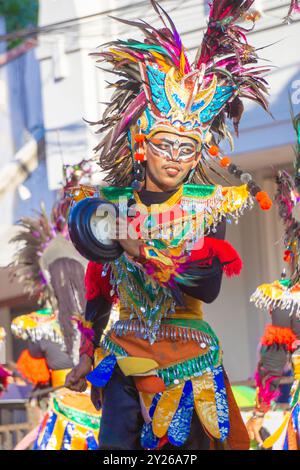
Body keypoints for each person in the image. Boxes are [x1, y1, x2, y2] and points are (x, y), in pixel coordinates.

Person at [66, 0, 273, 450]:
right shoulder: (112, 206)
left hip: (188, 362)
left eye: (188, 149)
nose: (176, 158)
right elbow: (98, 289)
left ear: (199, 154)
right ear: (142, 144)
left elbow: (208, 287)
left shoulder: (208, 208)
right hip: (122, 357)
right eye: (166, 144)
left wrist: (141, 250)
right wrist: (85, 355)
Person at [10, 162, 103, 450]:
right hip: (102, 418)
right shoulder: (102, 319)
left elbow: (31, 368)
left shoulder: (39, 325)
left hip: (65, 420)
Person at [247, 112, 300, 450]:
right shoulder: (287, 299)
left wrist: (259, 412)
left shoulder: (287, 300)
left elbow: (273, 361)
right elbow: (273, 359)